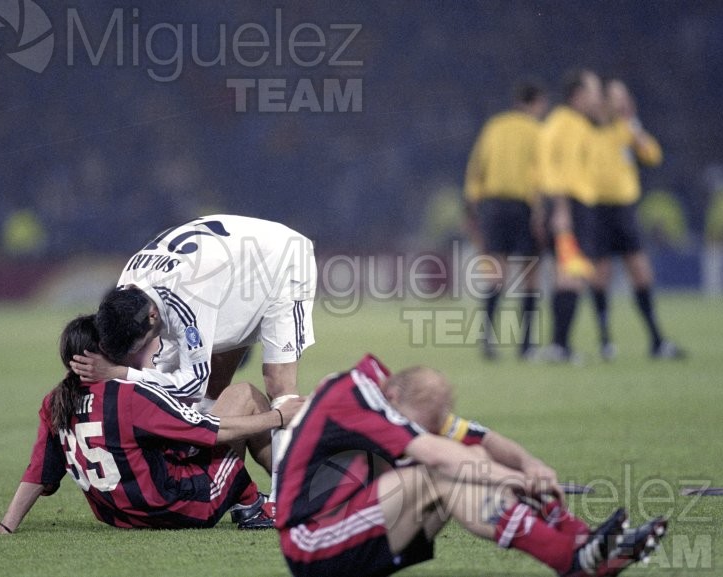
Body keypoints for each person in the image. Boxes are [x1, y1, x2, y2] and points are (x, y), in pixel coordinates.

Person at [275, 354, 668, 577]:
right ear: (392, 395)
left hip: (356, 524)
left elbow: (479, 440)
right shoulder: (353, 396)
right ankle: (571, 559)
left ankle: (583, 544)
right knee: (444, 475)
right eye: (426, 422)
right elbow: (438, 453)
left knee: (473, 462)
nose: (432, 428)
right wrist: (518, 480)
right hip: (312, 542)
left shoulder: (394, 397)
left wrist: (528, 463)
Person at [0, 315, 304, 535]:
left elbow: (40, 471)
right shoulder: (127, 395)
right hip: (175, 507)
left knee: (207, 419)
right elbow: (212, 431)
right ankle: (260, 503)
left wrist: (6, 526)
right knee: (243, 396)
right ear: (103, 350)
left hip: (121, 517)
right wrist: (278, 417)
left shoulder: (55, 402)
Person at [69, 214, 316, 510]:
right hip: (229, 274)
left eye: (139, 345)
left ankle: (283, 502)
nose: (138, 353)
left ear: (152, 317)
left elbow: (190, 384)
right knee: (215, 385)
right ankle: (223, 479)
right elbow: (169, 374)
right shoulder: (128, 289)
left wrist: (123, 373)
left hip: (280, 262)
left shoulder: (186, 300)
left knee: (278, 383)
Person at [589, 80, 685, 360]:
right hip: (598, 209)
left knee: (641, 272)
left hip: (624, 210)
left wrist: (635, 127)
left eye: (625, 96)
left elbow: (653, 156)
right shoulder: (590, 128)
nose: (624, 102)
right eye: (618, 96)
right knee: (601, 275)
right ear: (605, 100)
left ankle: (657, 340)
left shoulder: (626, 128)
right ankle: (605, 342)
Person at [464, 79, 549, 360]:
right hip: (523, 207)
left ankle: (487, 340)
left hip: (492, 206)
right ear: (536, 103)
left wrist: (473, 208)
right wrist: (539, 211)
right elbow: (541, 173)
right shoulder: (537, 130)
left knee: (496, 274)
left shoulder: (494, 126)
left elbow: (476, 168)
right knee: (530, 276)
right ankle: (526, 345)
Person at [537, 69, 603, 362]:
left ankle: (559, 345)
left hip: (573, 206)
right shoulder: (566, 125)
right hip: (569, 207)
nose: (597, 98)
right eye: (593, 92)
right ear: (578, 96)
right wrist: (561, 210)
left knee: (569, 274)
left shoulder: (572, 124)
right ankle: (559, 346)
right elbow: (556, 170)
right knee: (570, 274)